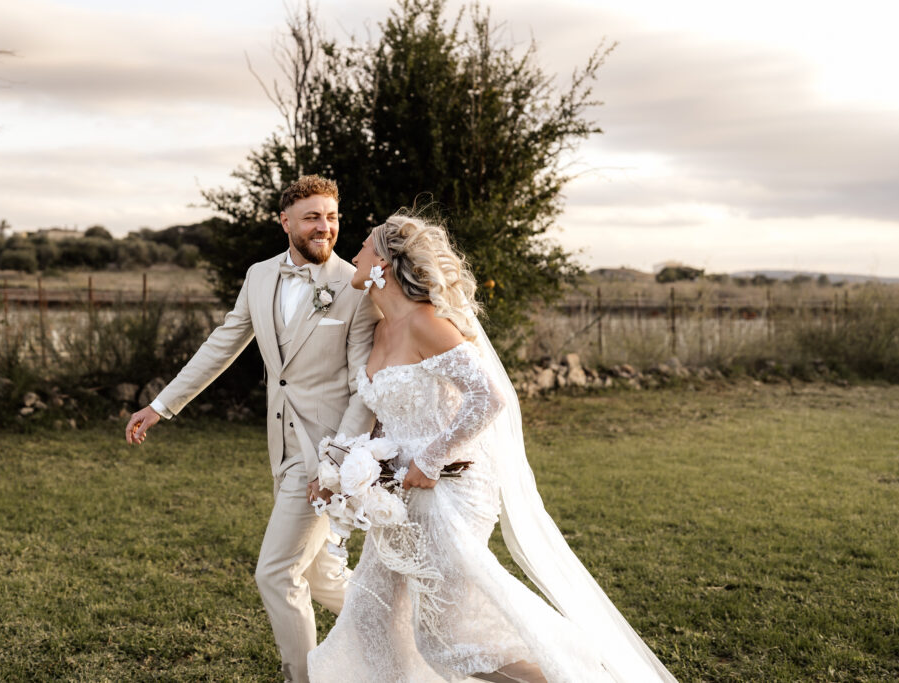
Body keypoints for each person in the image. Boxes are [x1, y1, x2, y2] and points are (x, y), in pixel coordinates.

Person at [306, 214, 677, 682]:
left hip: (449, 487)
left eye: (362, 247)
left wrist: (431, 457)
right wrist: (345, 479)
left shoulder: (428, 323)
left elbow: (488, 396)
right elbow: (388, 420)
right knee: (370, 618)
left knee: (448, 640)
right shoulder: (380, 330)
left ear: (383, 261)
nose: (354, 254)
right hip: (398, 496)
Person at [124, 175, 381, 683]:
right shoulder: (259, 276)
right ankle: (404, 637)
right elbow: (221, 345)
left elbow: (363, 391)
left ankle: (302, 676)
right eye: (311, 216)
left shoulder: (354, 289)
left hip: (323, 457)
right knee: (322, 576)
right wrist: (160, 404)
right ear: (284, 222)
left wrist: (335, 467)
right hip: (281, 446)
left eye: (331, 216)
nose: (323, 226)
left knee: (276, 573)